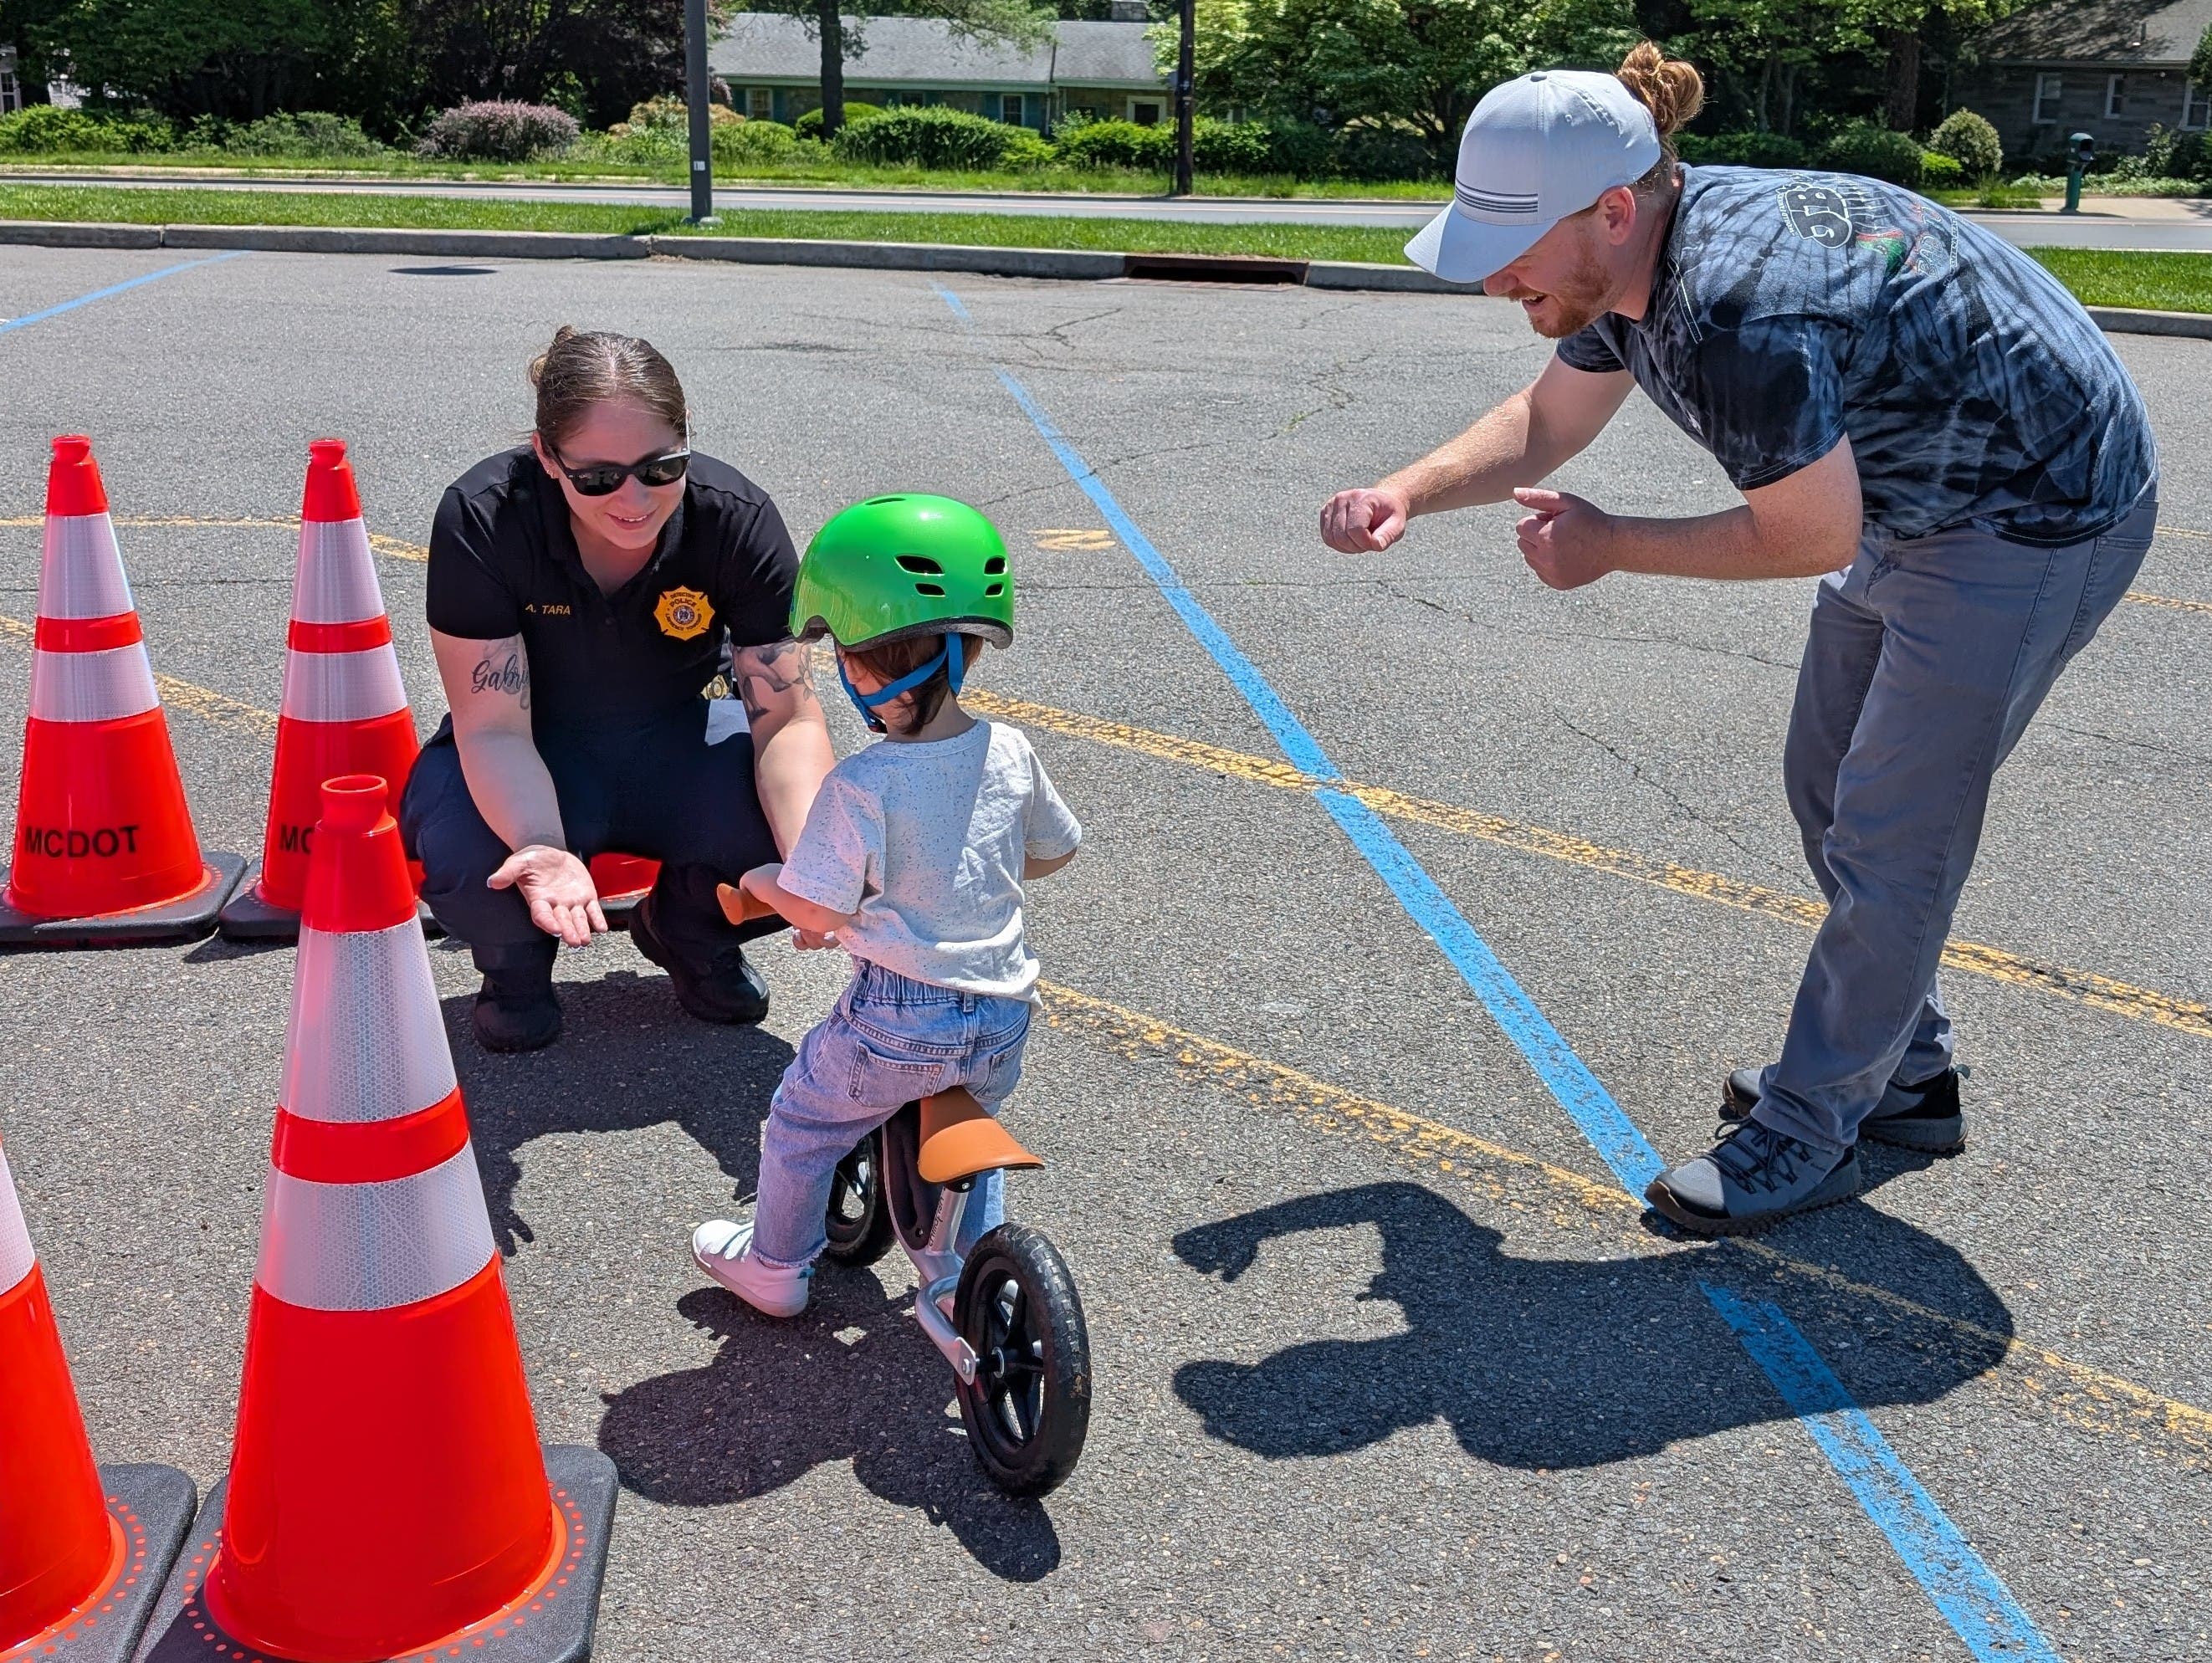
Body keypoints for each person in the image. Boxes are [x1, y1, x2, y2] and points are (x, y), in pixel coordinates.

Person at [1319, 45, 2157, 1235]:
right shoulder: (1621, 263)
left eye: (1507, 243)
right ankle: (1905, 1075)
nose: (1492, 276)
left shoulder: (1735, 307)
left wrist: (1609, 544)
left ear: (1613, 210)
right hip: (1921, 497)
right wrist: (1407, 489)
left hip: (2033, 511)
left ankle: (1811, 1125)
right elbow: (1547, 419)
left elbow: (1810, 532)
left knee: (1891, 830)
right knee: (1822, 779)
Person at [690, 494, 1083, 1317]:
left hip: (902, 1015)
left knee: (803, 1117)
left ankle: (774, 1266)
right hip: (1004, 1008)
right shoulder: (1010, 749)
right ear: (968, 652)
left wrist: (764, 881)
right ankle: (972, 1275)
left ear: (863, 671)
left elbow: (815, 911)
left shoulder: (862, 784)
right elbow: (1053, 849)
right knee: (964, 1127)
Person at [402, 327, 834, 1052]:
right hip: (535, 745)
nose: (634, 498)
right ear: (546, 457)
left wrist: (821, 867)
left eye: (661, 467)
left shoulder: (736, 518)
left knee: (816, 837)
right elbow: (493, 727)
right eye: (598, 477)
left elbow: (786, 720)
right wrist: (543, 846)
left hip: (679, 740)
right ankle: (515, 970)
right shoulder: (485, 518)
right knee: (470, 848)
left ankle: (690, 931)